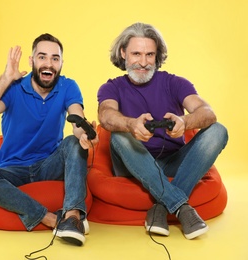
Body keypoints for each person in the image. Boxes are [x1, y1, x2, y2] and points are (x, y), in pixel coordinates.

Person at [97, 22, 228, 240]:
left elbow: (207, 112)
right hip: (133, 163)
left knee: (218, 130)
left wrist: (185, 122)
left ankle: (160, 208)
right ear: (123, 53)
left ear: (157, 56)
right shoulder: (111, 87)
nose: (143, 62)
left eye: (150, 54)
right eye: (136, 53)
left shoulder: (175, 82)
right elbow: (106, 115)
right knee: (120, 136)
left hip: (173, 160)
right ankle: (181, 207)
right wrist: (131, 125)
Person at [0, 33, 98, 246]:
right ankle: (52, 219)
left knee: (73, 143)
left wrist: (84, 134)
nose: (49, 63)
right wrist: (6, 77)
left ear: (61, 63)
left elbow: (77, 121)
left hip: (48, 165)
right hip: (13, 169)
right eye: (42, 57)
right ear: (32, 60)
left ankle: (73, 217)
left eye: (55, 58)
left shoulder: (68, 86)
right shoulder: (15, 87)